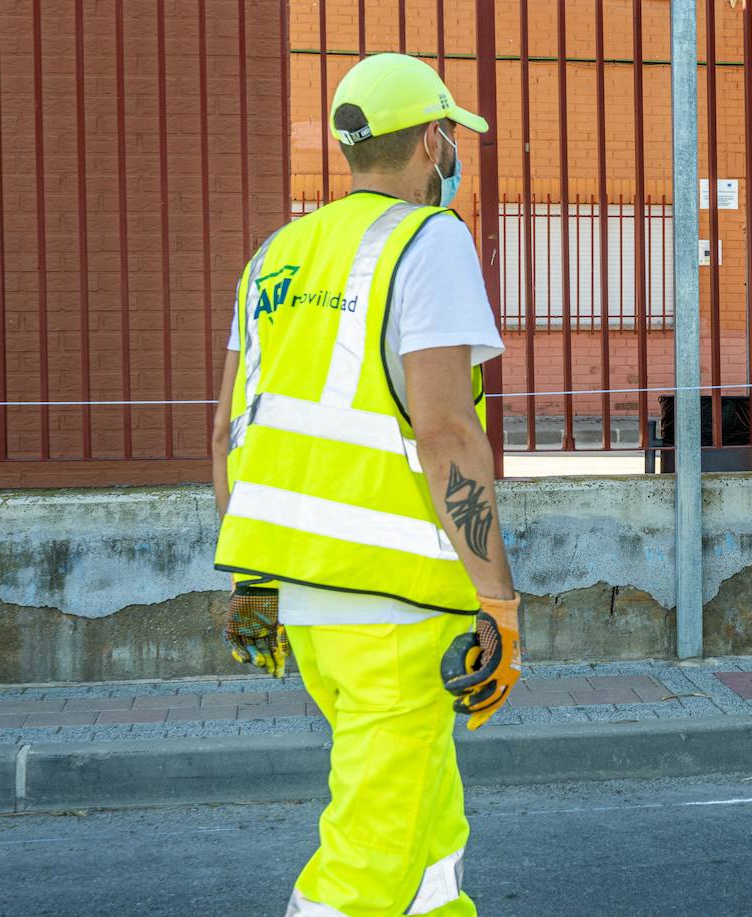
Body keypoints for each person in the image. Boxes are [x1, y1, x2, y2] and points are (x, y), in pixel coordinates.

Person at [210, 53, 519, 914]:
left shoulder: (276, 255)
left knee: (428, 845)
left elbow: (233, 437)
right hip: (395, 608)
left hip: (304, 607)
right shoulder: (429, 240)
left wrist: (253, 587)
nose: (453, 151)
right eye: (451, 136)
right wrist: (499, 601)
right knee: (362, 871)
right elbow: (446, 432)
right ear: (433, 140)